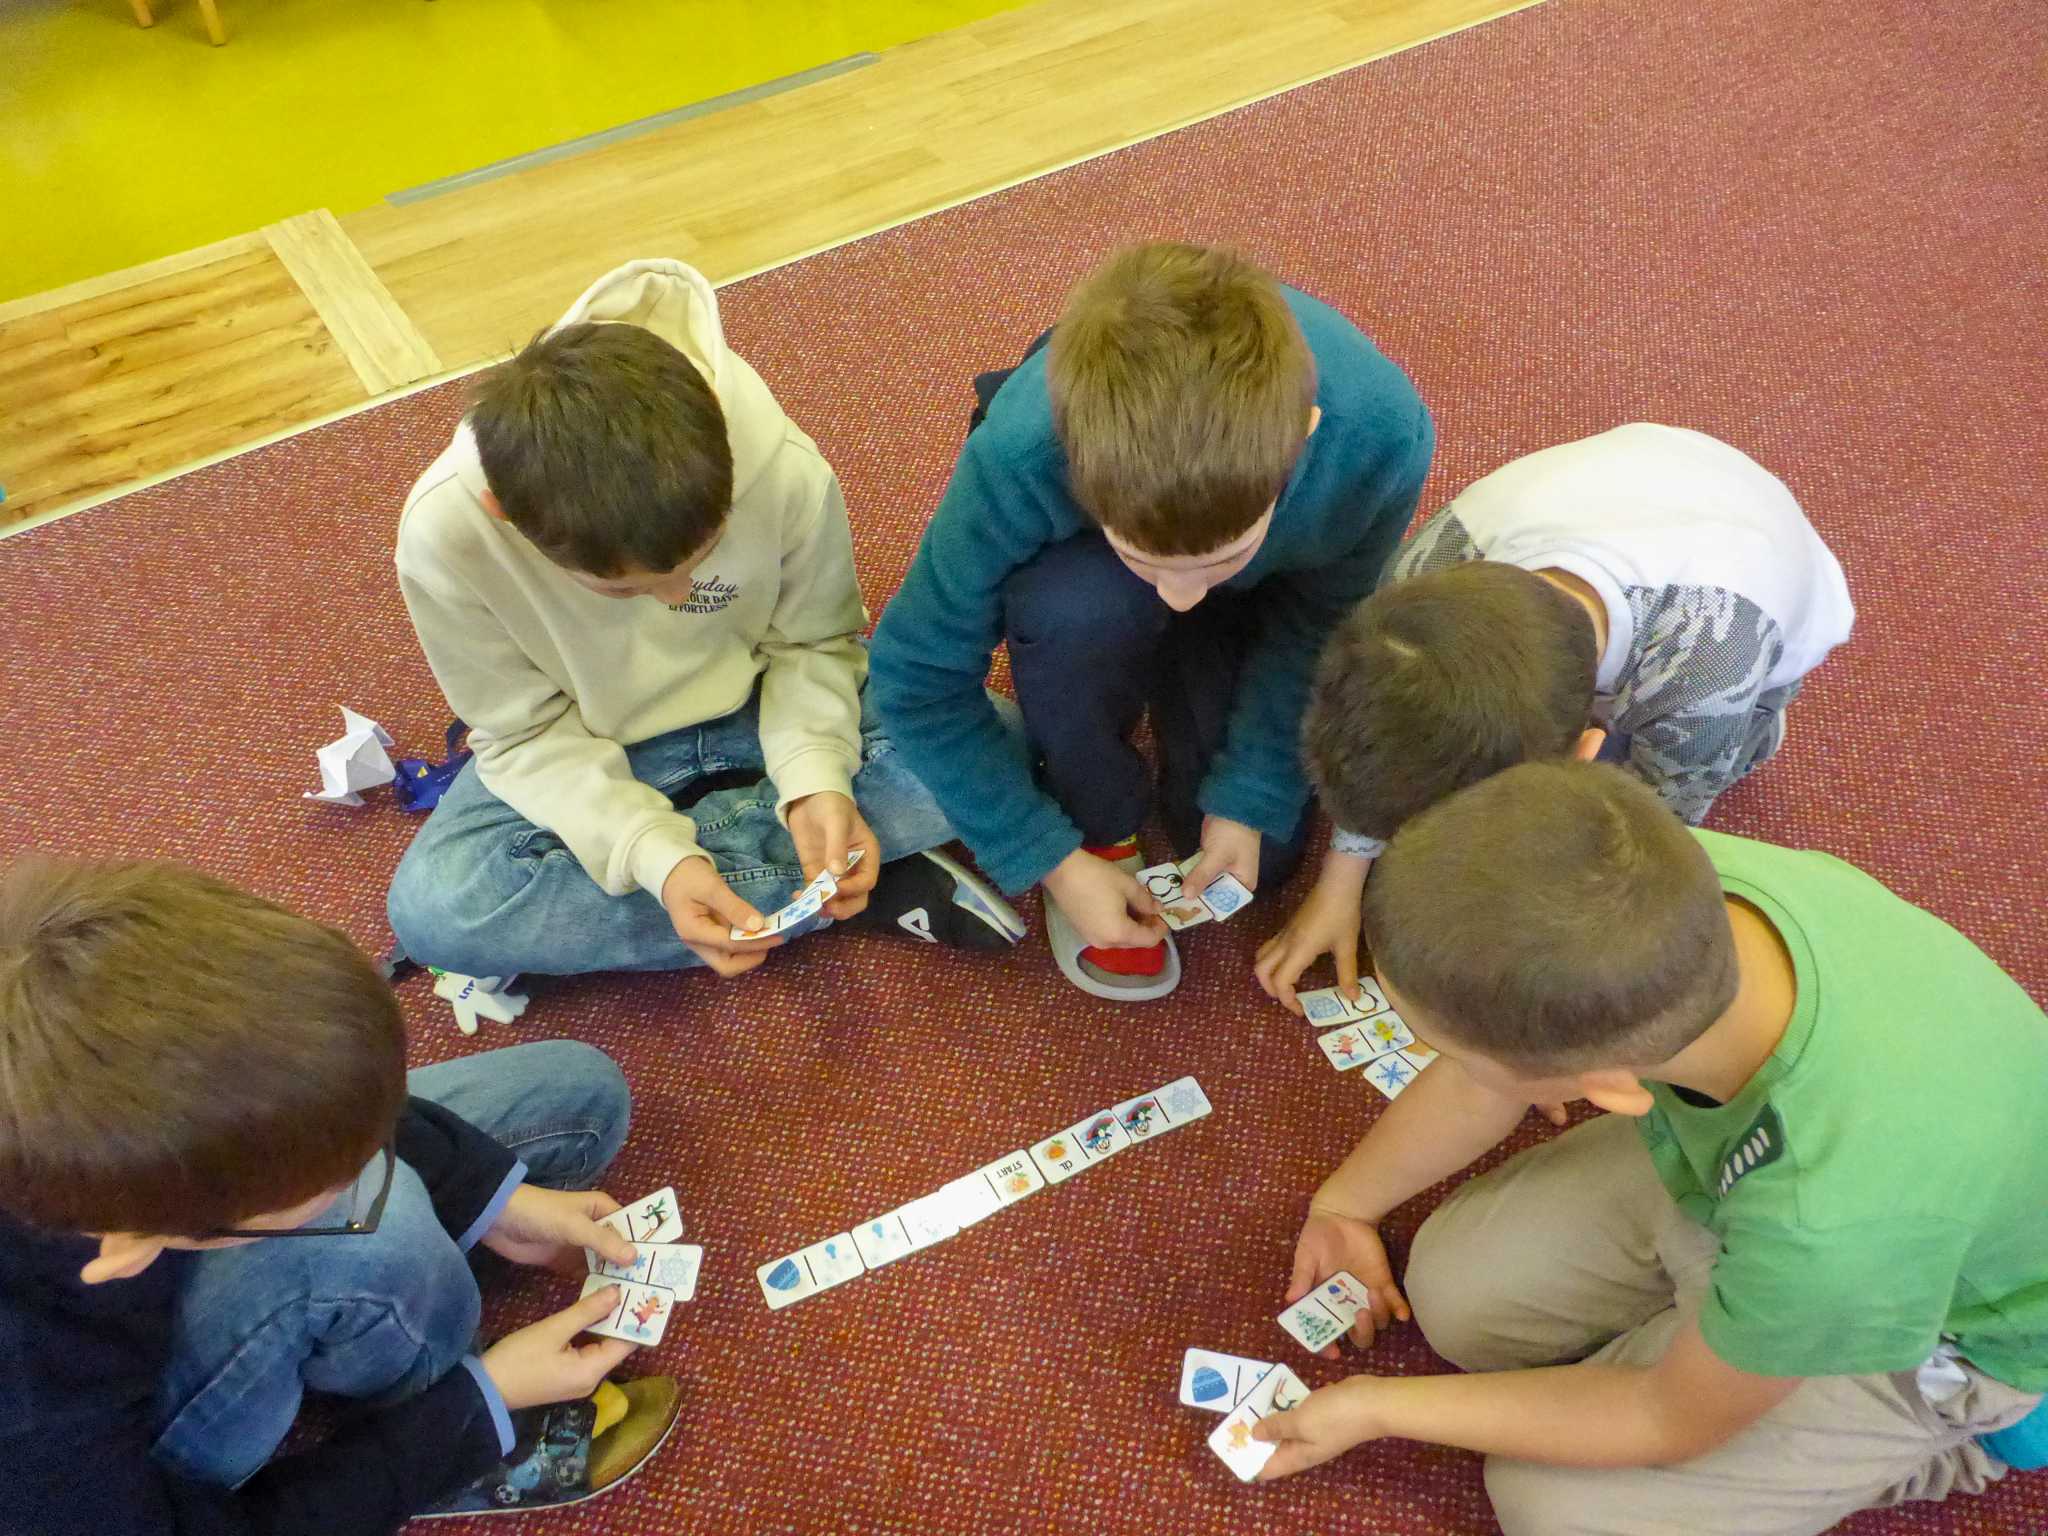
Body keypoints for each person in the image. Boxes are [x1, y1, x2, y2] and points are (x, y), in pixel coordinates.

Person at [1258, 763, 2048, 1535]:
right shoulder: (1658, 878)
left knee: (1554, 1506)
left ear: (1609, 1086)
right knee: (1454, 1298)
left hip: (1930, 1317)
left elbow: (1666, 1419)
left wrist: (1376, 1407)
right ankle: (1733, 1337)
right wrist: (1346, 1204)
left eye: (1456, 1054)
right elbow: (1482, 1082)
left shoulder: (1830, 1230)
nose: (1449, 1064)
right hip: (1766, 1183)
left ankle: (1959, 1440)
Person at [0, 855, 681, 1533]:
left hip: (161, 1214)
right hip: (136, 1478)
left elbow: (299, 1111)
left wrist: (494, 1199)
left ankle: (390, 1297)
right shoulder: (32, 1408)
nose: (374, 1167)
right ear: (128, 1243)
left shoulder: (67, 1082)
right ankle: (431, 1409)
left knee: (575, 1094)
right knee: (377, 1243)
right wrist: (477, 1407)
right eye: (338, 1182)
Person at [388, 258, 1023, 985]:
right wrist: (656, 855)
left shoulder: (781, 466)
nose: (677, 598)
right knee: (433, 910)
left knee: (1000, 740)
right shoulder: (445, 536)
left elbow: (814, 643)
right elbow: (523, 733)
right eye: (626, 590)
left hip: (762, 699)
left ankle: (743, 888)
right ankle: (828, 883)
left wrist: (815, 778)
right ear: (505, 516)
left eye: (706, 553)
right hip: (593, 742)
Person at [868, 241, 1433, 1001]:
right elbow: (915, 676)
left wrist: (1249, 795)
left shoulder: (1384, 442)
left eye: (1223, 556)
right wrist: (1051, 857)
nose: (1180, 597)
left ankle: (1174, 616)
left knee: (1264, 858)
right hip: (1084, 582)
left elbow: (1321, 627)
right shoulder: (1019, 456)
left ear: (1303, 437)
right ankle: (1103, 797)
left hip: (1266, 593)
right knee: (1078, 609)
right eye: (1143, 558)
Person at [1257, 423, 1854, 1014]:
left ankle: (1757, 731)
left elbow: (1655, 827)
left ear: (1583, 752)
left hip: (1762, 580)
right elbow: (1383, 740)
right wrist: (1340, 880)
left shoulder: (1707, 684)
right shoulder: (1417, 585)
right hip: (1636, 495)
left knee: (1677, 776)